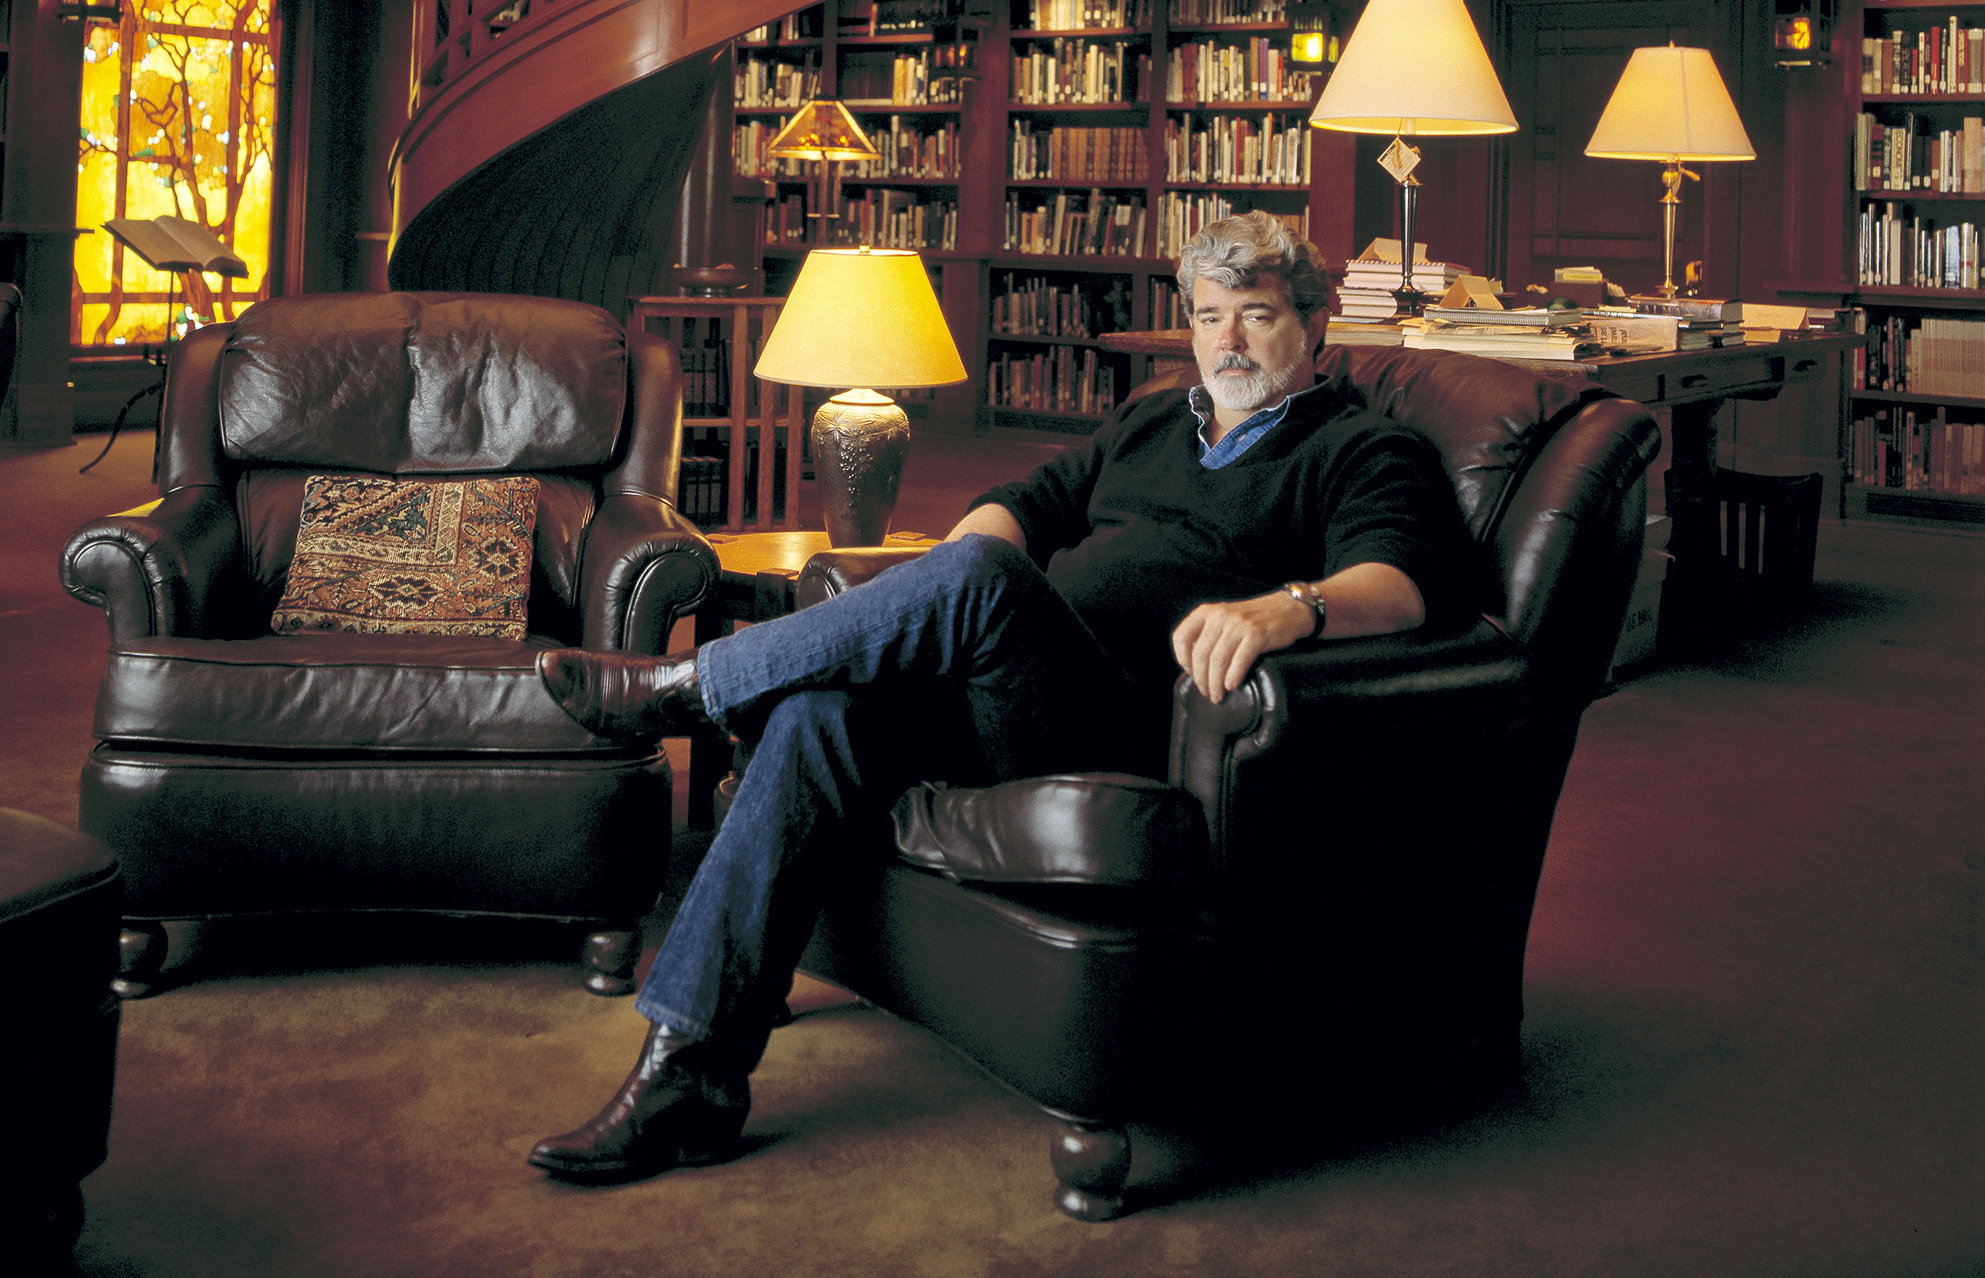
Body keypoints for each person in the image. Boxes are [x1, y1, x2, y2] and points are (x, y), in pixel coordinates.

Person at [526, 211, 1466, 1182]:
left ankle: (692, 688)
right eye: (1209, 315)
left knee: (977, 579)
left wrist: (1286, 610)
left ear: (1316, 330)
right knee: (821, 712)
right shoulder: (1152, 420)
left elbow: (1400, 586)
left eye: (1257, 315)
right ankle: (691, 1075)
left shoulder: (1361, 451)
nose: (1227, 340)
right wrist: (929, 586)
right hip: (1011, 686)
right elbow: (1023, 505)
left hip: (1127, 723)